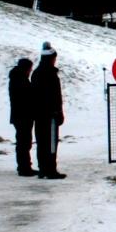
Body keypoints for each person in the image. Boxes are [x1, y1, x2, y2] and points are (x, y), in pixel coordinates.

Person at [30, 42, 66, 179]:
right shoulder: (49, 74)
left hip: (39, 114)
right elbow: (54, 96)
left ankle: (43, 168)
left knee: (41, 142)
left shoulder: (37, 73)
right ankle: (50, 169)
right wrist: (58, 111)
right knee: (51, 142)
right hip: (50, 114)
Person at [8, 57, 36, 176]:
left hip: (20, 115)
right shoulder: (20, 80)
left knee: (23, 142)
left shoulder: (17, 78)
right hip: (23, 115)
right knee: (24, 142)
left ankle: (24, 166)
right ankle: (24, 167)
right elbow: (26, 97)